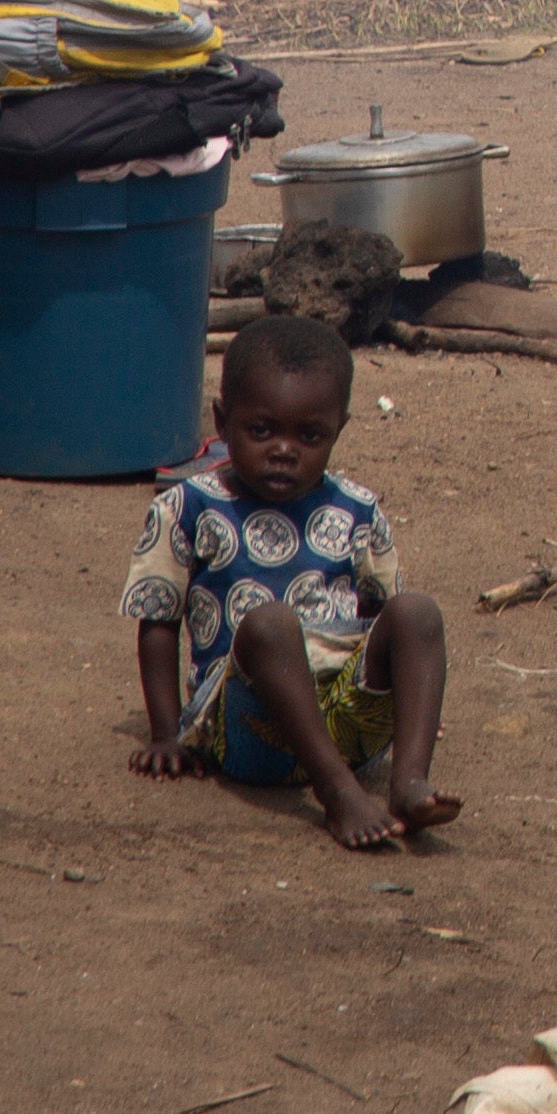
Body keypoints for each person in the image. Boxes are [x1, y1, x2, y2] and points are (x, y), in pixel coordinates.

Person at [125, 314, 456, 850]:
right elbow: (158, 619)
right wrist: (167, 733)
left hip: (346, 719)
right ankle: (337, 793)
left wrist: (407, 709)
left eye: (310, 435)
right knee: (272, 624)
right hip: (249, 731)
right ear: (222, 420)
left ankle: (409, 780)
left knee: (418, 612)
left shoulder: (356, 508)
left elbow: (384, 621)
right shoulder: (188, 507)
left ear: (338, 431)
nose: (284, 449)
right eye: (261, 431)